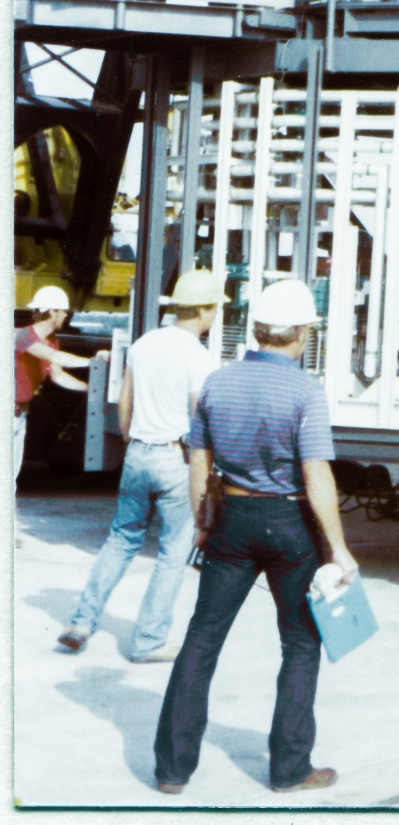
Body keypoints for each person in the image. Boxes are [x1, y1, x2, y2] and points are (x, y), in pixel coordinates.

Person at [153, 279, 358, 796]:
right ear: (302, 334)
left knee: (201, 638)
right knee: (300, 644)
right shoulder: (306, 391)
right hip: (290, 527)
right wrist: (337, 548)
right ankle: (290, 768)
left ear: (258, 329)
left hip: (232, 523)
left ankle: (172, 769)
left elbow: (199, 463)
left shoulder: (217, 384)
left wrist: (204, 523)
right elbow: (316, 477)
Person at [57, 271, 223, 662]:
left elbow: (124, 402)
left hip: (139, 454)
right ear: (202, 310)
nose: (216, 316)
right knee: (171, 552)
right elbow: (200, 417)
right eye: (215, 308)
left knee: (121, 539)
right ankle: (149, 641)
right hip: (175, 457)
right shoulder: (199, 357)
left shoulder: (145, 344)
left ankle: (81, 621)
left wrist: (133, 439)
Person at [15, 285, 103, 484]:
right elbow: (55, 357)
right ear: (52, 312)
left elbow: (58, 375)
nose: (66, 316)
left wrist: (91, 389)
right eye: (63, 311)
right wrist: (94, 362)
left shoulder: (52, 341)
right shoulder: (22, 335)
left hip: (20, 415)